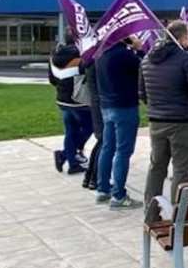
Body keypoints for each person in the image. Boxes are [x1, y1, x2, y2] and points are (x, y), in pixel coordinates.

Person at [140, 21, 188, 222]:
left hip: (156, 121)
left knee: (156, 167)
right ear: (183, 38)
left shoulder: (146, 59)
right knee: (181, 170)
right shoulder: (186, 59)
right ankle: (178, 217)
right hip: (184, 122)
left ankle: (150, 213)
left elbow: (142, 93)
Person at [96, 35, 144, 209]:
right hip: (124, 106)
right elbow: (145, 66)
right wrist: (139, 48)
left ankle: (103, 188)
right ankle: (119, 196)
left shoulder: (100, 54)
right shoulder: (125, 55)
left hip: (106, 105)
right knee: (123, 151)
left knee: (108, 147)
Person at [48, 33, 93, 175]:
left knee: (70, 131)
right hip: (79, 100)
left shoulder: (54, 56)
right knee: (90, 126)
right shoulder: (81, 57)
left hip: (62, 99)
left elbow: (52, 80)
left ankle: (72, 164)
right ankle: (64, 155)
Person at [81, 51, 103, 191]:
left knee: (101, 141)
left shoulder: (90, 59)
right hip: (101, 103)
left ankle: (89, 176)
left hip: (96, 103)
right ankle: (95, 178)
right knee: (104, 142)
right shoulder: (97, 61)